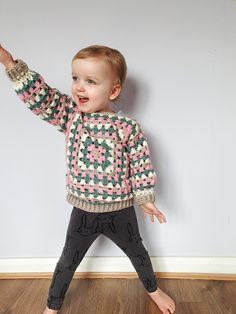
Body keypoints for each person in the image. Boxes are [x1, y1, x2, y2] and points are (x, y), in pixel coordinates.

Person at [0, 43, 176, 314]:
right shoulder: (72, 117)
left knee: (138, 253)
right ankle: (51, 307)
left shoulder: (127, 127)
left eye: (90, 81)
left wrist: (145, 198)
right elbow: (42, 97)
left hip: (121, 211)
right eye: (75, 78)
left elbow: (141, 164)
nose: (79, 87)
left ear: (113, 90)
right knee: (67, 261)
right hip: (83, 212)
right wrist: (11, 64)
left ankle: (153, 289)